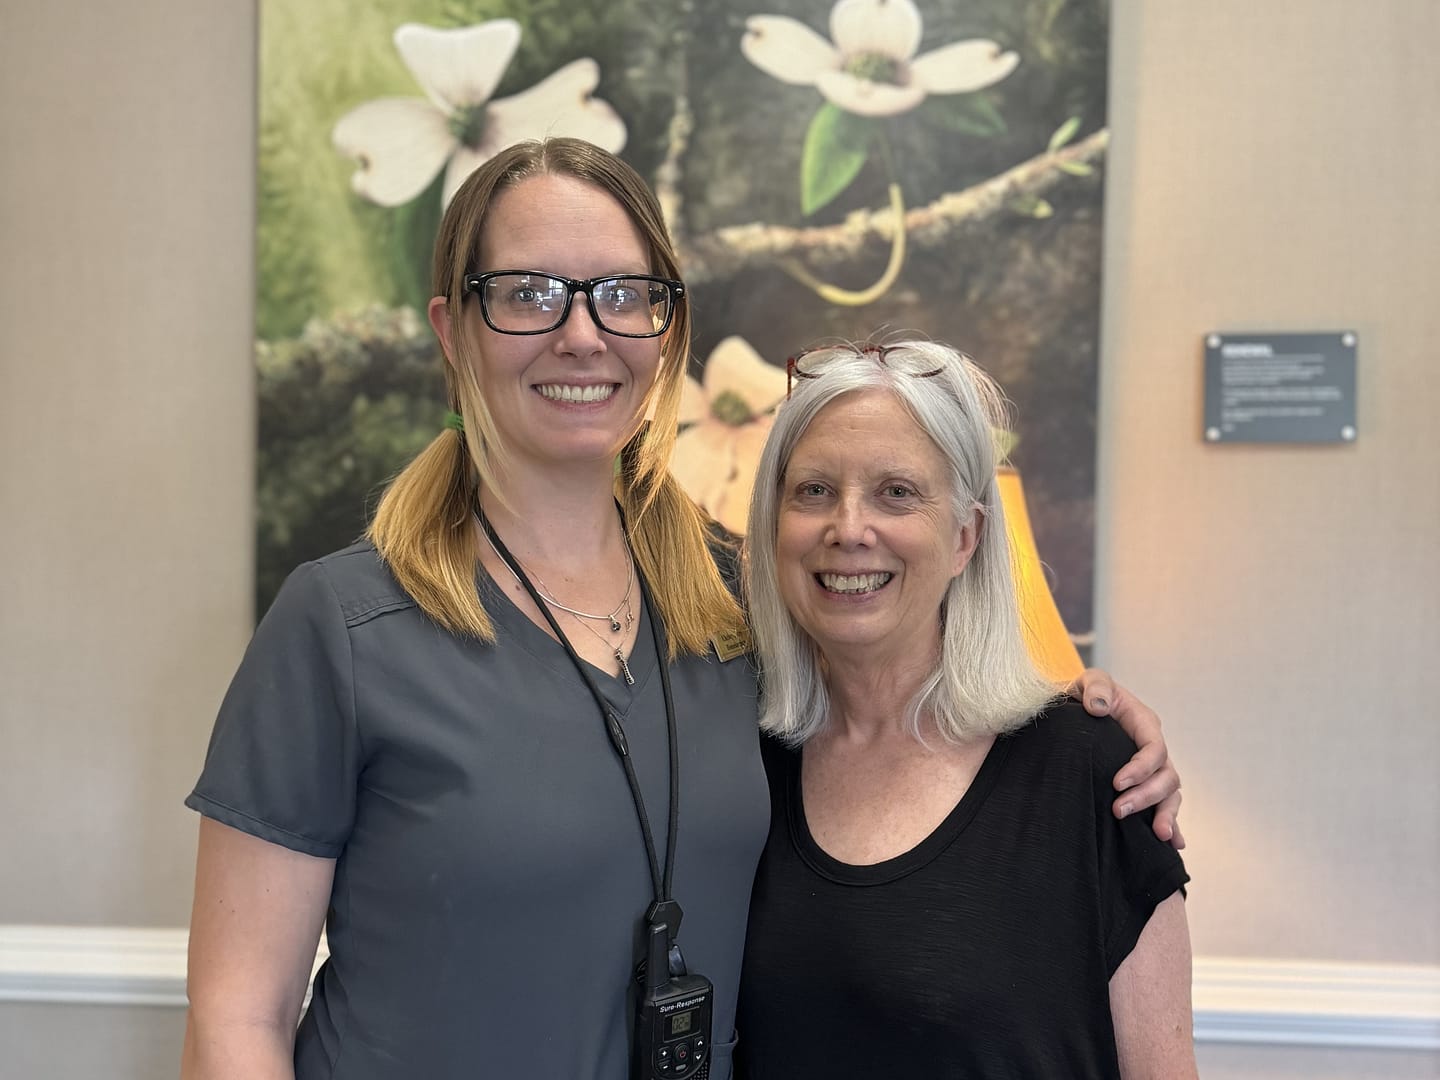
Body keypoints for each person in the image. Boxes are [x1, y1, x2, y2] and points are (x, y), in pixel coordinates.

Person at [180, 138, 1180, 1079]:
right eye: (528, 293)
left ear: (666, 332)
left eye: (623, 295)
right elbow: (237, 1019)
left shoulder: (739, 606)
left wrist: (1092, 722)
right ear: (454, 329)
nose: (582, 333)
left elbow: (908, 697)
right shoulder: (343, 629)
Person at [735, 341, 1196, 1079]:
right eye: (814, 491)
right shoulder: (734, 759)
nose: (848, 528)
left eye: (896, 492)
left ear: (965, 537)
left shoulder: (1092, 773)